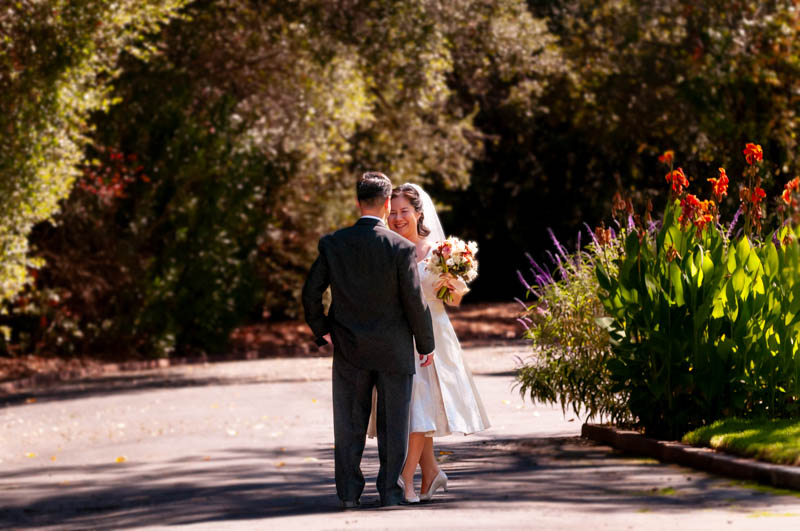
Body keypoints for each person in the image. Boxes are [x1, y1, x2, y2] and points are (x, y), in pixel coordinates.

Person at [302, 172, 436, 508]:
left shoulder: (334, 243)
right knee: (393, 426)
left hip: (348, 349)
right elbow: (414, 302)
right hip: (394, 349)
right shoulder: (401, 248)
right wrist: (426, 345)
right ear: (388, 203)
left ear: (357, 201)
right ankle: (390, 493)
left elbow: (310, 293)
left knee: (349, 424)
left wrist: (323, 330)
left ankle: (349, 494)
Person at [369, 183, 490, 503]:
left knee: (420, 409)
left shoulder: (437, 252)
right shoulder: (387, 247)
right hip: (397, 338)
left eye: (404, 211)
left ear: (418, 212)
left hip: (431, 339)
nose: (397, 218)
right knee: (414, 411)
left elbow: (455, 297)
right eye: (391, 212)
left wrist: (453, 281)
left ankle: (405, 478)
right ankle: (432, 472)